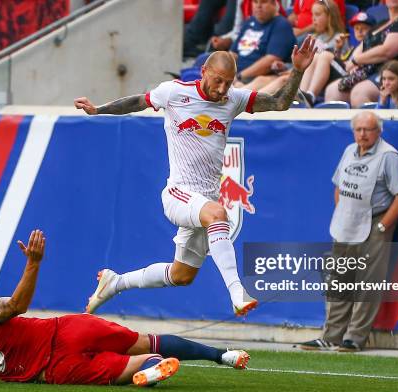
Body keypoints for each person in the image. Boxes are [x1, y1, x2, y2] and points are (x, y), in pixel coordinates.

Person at [74, 40, 317, 317]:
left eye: (228, 83)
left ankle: (116, 282)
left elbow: (279, 103)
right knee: (217, 213)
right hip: (179, 193)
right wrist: (98, 109)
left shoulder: (233, 99)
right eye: (217, 81)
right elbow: (136, 102)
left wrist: (297, 71)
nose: (222, 89)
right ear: (203, 71)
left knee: (181, 275)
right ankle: (237, 291)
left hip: (205, 200)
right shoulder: (173, 93)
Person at [0, 230, 251, 387]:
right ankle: (221, 355)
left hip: (54, 370)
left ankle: (151, 368)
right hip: (67, 329)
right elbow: (16, 306)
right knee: (148, 339)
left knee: (130, 366)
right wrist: (33, 263)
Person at [300, 112, 398, 352]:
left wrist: (382, 226)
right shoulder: (349, 150)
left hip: (375, 222)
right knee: (339, 282)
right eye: (358, 129)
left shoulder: (389, 156)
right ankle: (331, 336)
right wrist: (344, 214)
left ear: (378, 131)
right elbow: (339, 187)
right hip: (346, 224)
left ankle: (355, 338)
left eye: (368, 129)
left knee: (368, 283)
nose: (362, 134)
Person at [324, 0, 398, 108]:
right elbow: (362, 47)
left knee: (360, 93)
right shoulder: (381, 24)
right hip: (371, 73)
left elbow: (386, 51)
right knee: (333, 91)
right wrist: (354, 62)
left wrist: (356, 61)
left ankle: (370, 125)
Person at [243, 0, 347, 96]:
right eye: (312, 15)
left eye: (318, 15)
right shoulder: (311, 38)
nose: (313, 19)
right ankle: (241, 97)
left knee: (283, 81)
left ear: (330, 17)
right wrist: (285, 66)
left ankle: (251, 103)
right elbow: (301, 62)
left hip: (318, 81)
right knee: (262, 79)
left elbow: (341, 64)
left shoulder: (339, 38)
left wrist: (338, 49)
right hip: (300, 74)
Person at [231, 0, 296, 85]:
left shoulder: (281, 25)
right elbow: (233, 53)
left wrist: (239, 76)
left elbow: (270, 61)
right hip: (234, 75)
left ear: (274, 4)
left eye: (263, 2)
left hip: (256, 78)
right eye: (255, 2)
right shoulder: (250, 21)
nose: (258, 6)